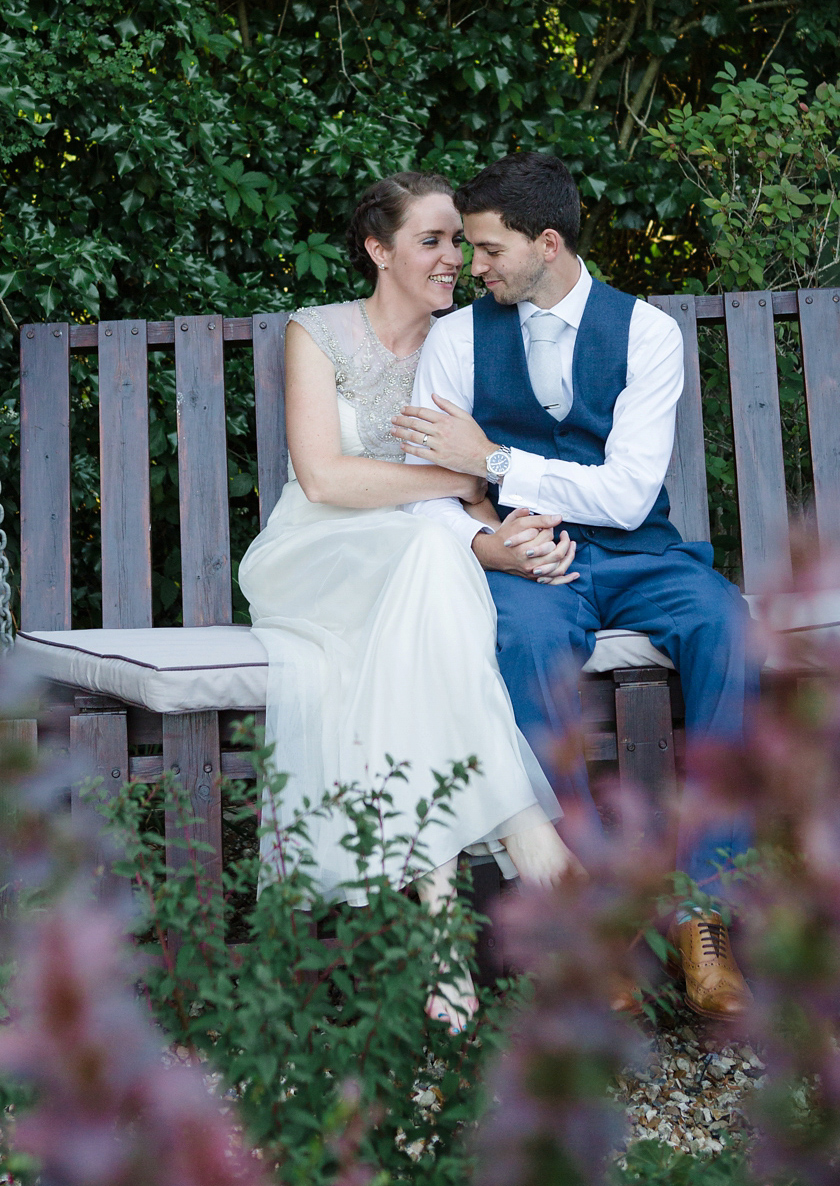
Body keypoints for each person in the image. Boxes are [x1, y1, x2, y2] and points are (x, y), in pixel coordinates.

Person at [391, 152, 755, 1021]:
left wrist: (495, 462)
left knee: (729, 627)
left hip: (639, 555)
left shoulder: (646, 334)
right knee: (521, 645)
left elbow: (629, 495)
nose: (471, 268)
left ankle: (707, 914)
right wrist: (492, 541)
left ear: (545, 244)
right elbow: (422, 483)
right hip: (527, 559)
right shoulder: (455, 339)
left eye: (487, 249)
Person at [238, 170, 579, 1034]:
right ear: (378, 249)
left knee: (420, 611)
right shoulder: (315, 335)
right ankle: (528, 838)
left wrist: (510, 542)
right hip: (311, 556)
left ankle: (442, 951)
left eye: (459, 242)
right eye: (432, 241)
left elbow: (467, 516)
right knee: (427, 557)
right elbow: (324, 476)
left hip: (416, 559)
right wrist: (464, 474)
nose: (454, 259)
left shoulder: (461, 341)